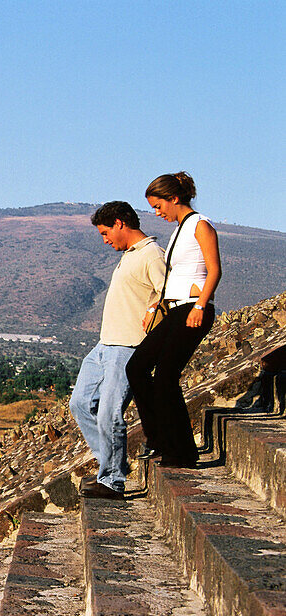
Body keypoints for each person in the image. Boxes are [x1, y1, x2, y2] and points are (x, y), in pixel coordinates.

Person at [126, 171, 221, 468]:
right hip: (175, 309)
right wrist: (156, 305)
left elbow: (214, 270)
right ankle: (159, 441)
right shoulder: (179, 229)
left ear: (174, 198)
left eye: (158, 206)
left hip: (193, 309)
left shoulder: (200, 225)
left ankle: (181, 452)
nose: (157, 212)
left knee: (166, 376)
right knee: (137, 367)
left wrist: (201, 306)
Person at [71, 201, 166, 498]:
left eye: (104, 232)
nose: (104, 239)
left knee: (109, 414)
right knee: (80, 404)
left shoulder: (152, 254)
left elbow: (169, 296)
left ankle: (112, 481)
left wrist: (155, 309)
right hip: (104, 343)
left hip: (128, 345)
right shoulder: (130, 255)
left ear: (119, 223)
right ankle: (111, 466)